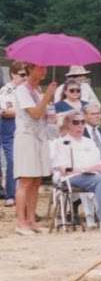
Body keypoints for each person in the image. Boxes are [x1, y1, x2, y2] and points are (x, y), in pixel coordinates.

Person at [51, 111, 101, 235]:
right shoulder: (62, 142)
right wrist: (84, 169)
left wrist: (96, 168)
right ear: (68, 125)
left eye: (82, 122)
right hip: (71, 177)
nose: (80, 125)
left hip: (92, 175)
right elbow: (62, 168)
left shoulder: (89, 142)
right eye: (76, 122)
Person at [13, 63, 57, 234]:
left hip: (40, 138)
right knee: (25, 181)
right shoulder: (22, 90)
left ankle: (31, 220)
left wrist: (48, 104)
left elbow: (43, 115)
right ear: (30, 69)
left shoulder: (38, 91)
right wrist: (48, 95)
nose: (44, 71)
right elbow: (35, 113)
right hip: (26, 138)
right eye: (40, 68)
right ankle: (21, 222)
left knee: (37, 180)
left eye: (45, 68)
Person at [0, 62, 26, 205]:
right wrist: (26, 111)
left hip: (24, 128)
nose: (25, 77)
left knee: (23, 161)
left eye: (26, 74)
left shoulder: (28, 90)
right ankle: (10, 194)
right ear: (13, 74)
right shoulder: (7, 90)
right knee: (12, 161)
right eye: (22, 75)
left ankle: (20, 193)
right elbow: (6, 112)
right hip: (10, 127)